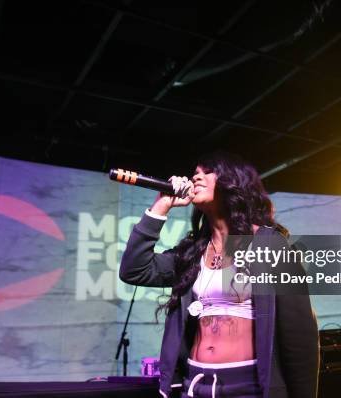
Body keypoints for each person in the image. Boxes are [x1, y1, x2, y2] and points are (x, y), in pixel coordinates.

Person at [119, 152, 319, 398]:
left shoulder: (268, 244)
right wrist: (162, 204)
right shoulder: (192, 252)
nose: (196, 177)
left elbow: (299, 338)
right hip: (195, 384)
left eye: (207, 172)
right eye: (195, 173)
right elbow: (134, 270)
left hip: (246, 387)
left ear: (233, 181)